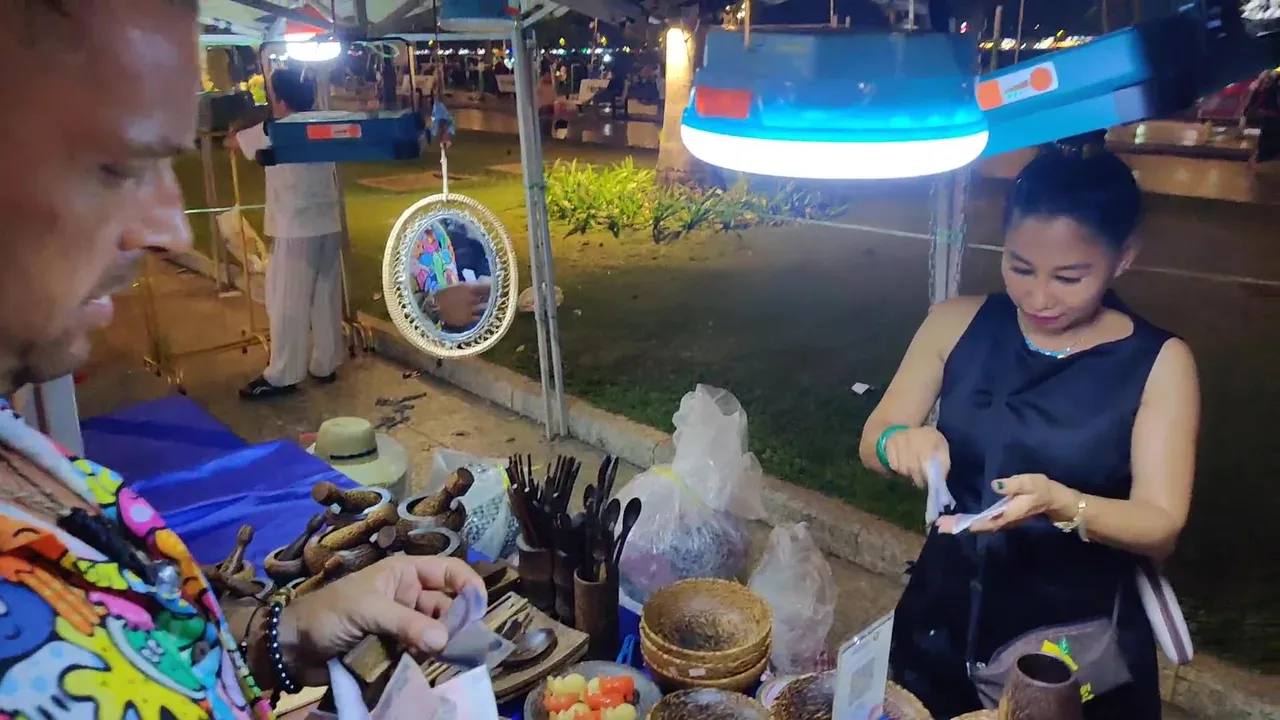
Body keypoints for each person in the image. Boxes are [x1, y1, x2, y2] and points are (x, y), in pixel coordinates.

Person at [0, 2, 484, 716]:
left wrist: (284, 634)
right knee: (305, 313)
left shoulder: (31, 461)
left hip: (305, 229)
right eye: (114, 165)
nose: (172, 229)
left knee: (303, 312)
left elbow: (157, 651)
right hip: (306, 228)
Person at [860, 150, 1199, 719]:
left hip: (1072, 641)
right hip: (943, 618)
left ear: (1124, 256)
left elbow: (1160, 524)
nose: (1039, 297)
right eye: (1020, 267)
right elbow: (874, 436)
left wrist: (1063, 504)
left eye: (1069, 277)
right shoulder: (954, 322)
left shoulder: (1159, 363)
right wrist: (899, 440)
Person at [229, 67, 346, 400]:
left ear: (279, 99)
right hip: (327, 219)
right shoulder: (323, 122)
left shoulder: (274, 129)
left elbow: (232, 143)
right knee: (325, 298)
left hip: (295, 226)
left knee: (286, 303)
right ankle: (325, 362)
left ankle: (283, 374)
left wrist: (242, 124)